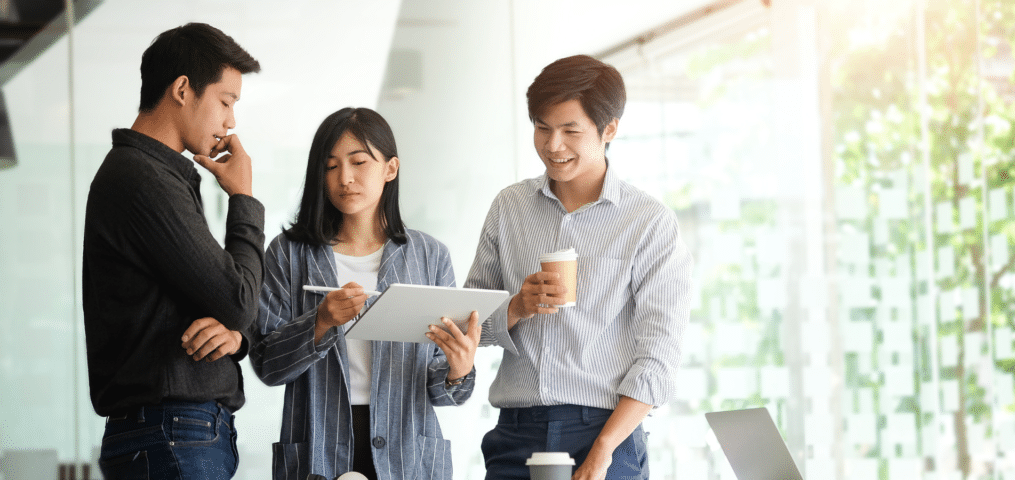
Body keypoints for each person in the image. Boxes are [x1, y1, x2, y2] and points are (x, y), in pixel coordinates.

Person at [464, 54, 693, 480]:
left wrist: (605, 448)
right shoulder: (509, 208)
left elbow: (659, 355)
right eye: (542, 128)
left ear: (609, 130)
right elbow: (469, 323)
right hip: (516, 435)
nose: (553, 146)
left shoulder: (648, 222)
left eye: (571, 131)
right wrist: (517, 306)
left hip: (604, 432)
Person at [248, 107, 481, 480]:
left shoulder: (430, 255)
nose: (345, 178)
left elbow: (442, 392)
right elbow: (268, 366)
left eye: (359, 162)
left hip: (408, 455)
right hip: (318, 447)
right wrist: (320, 322)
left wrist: (459, 369)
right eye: (330, 166)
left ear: (390, 168)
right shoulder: (289, 253)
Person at [82, 23, 263, 480]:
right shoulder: (144, 179)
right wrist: (242, 197)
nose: (231, 122)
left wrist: (234, 332)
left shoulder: (152, 176)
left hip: (172, 434)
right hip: (172, 434)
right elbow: (239, 299)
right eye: (226, 101)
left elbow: (225, 304)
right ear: (183, 89)